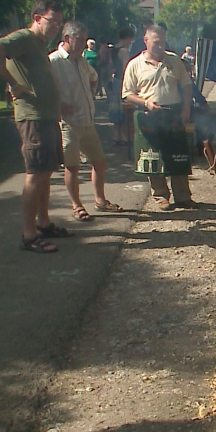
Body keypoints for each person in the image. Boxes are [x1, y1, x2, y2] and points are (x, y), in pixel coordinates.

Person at [0, 0, 72, 253]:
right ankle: (28, 234)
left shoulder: (39, 45)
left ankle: (43, 223)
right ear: (38, 17)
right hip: (33, 117)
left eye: (59, 23)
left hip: (47, 116)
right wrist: (12, 84)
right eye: (53, 21)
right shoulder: (24, 37)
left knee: (45, 172)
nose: (56, 27)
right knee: (35, 174)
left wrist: (57, 105)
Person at [50, 20, 122, 223]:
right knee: (72, 166)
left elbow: (94, 77)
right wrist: (58, 105)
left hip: (87, 120)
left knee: (99, 161)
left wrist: (91, 89)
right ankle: (77, 205)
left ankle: (100, 200)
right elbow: (45, 90)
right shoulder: (54, 61)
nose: (84, 43)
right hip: (69, 122)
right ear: (67, 39)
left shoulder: (81, 61)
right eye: (80, 39)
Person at [122, 24, 196, 210]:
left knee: (178, 156)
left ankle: (183, 196)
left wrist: (186, 108)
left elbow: (187, 85)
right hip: (149, 115)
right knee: (154, 158)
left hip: (173, 113)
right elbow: (126, 94)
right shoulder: (135, 64)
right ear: (146, 41)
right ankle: (161, 196)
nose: (160, 46)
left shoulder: (174, 61)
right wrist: (145, 103)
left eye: (163, 42)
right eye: (156, 42)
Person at [109, 27, 134, 145]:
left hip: (115, 80)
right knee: (124, 111)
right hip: (123, 81)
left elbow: (111, 65)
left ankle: (115, 137)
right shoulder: (124, 50)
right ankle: (124, 138)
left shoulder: (113, 49)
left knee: (116, 110)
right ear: (128, 38)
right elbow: (126, 68)